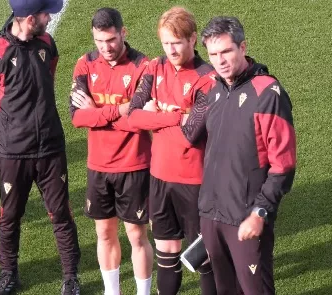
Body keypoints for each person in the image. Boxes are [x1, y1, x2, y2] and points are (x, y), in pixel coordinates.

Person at [194, 16, 297, 295]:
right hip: (212, 216)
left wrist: (260, 211)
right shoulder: (213, 90)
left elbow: (284, 165)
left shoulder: (268, 93)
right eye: (213, 54)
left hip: (247, 218)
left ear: (243, 47)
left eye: (227, 51)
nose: (220, 60)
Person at [123, 6, 218, 295]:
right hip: (160, 177)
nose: (171, 49)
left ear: (192, 39)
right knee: (166, 255)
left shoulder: (207, 77)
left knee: (204, 258)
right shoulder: (155, 67)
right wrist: (176, 116)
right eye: (166, 43)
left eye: (177, 42)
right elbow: (132, 116)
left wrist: (155, 114)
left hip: (194, 181)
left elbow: (192, 134)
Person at [0, 0, 81, 294]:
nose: (49, 17)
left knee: (61, 214)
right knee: (10, 215)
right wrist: (4, 135)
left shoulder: (47, 43)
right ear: (31, 18)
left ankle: (71, 278)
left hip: (50, 148)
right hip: (12, 153)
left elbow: (47, 81)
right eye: (45, 13)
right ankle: (8, 274)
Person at [69, 8, 154, 295]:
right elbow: (77, 118)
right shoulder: (85, 64)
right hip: (99, 167)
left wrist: (97, 113)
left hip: (135, 165)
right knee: (104, 233)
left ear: (123, 32)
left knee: (136, 235)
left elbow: (142, 122)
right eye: (99, 41)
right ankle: (112, 292)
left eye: (111, 40)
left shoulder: (144, 66)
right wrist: (119, 111)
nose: (105, 48)